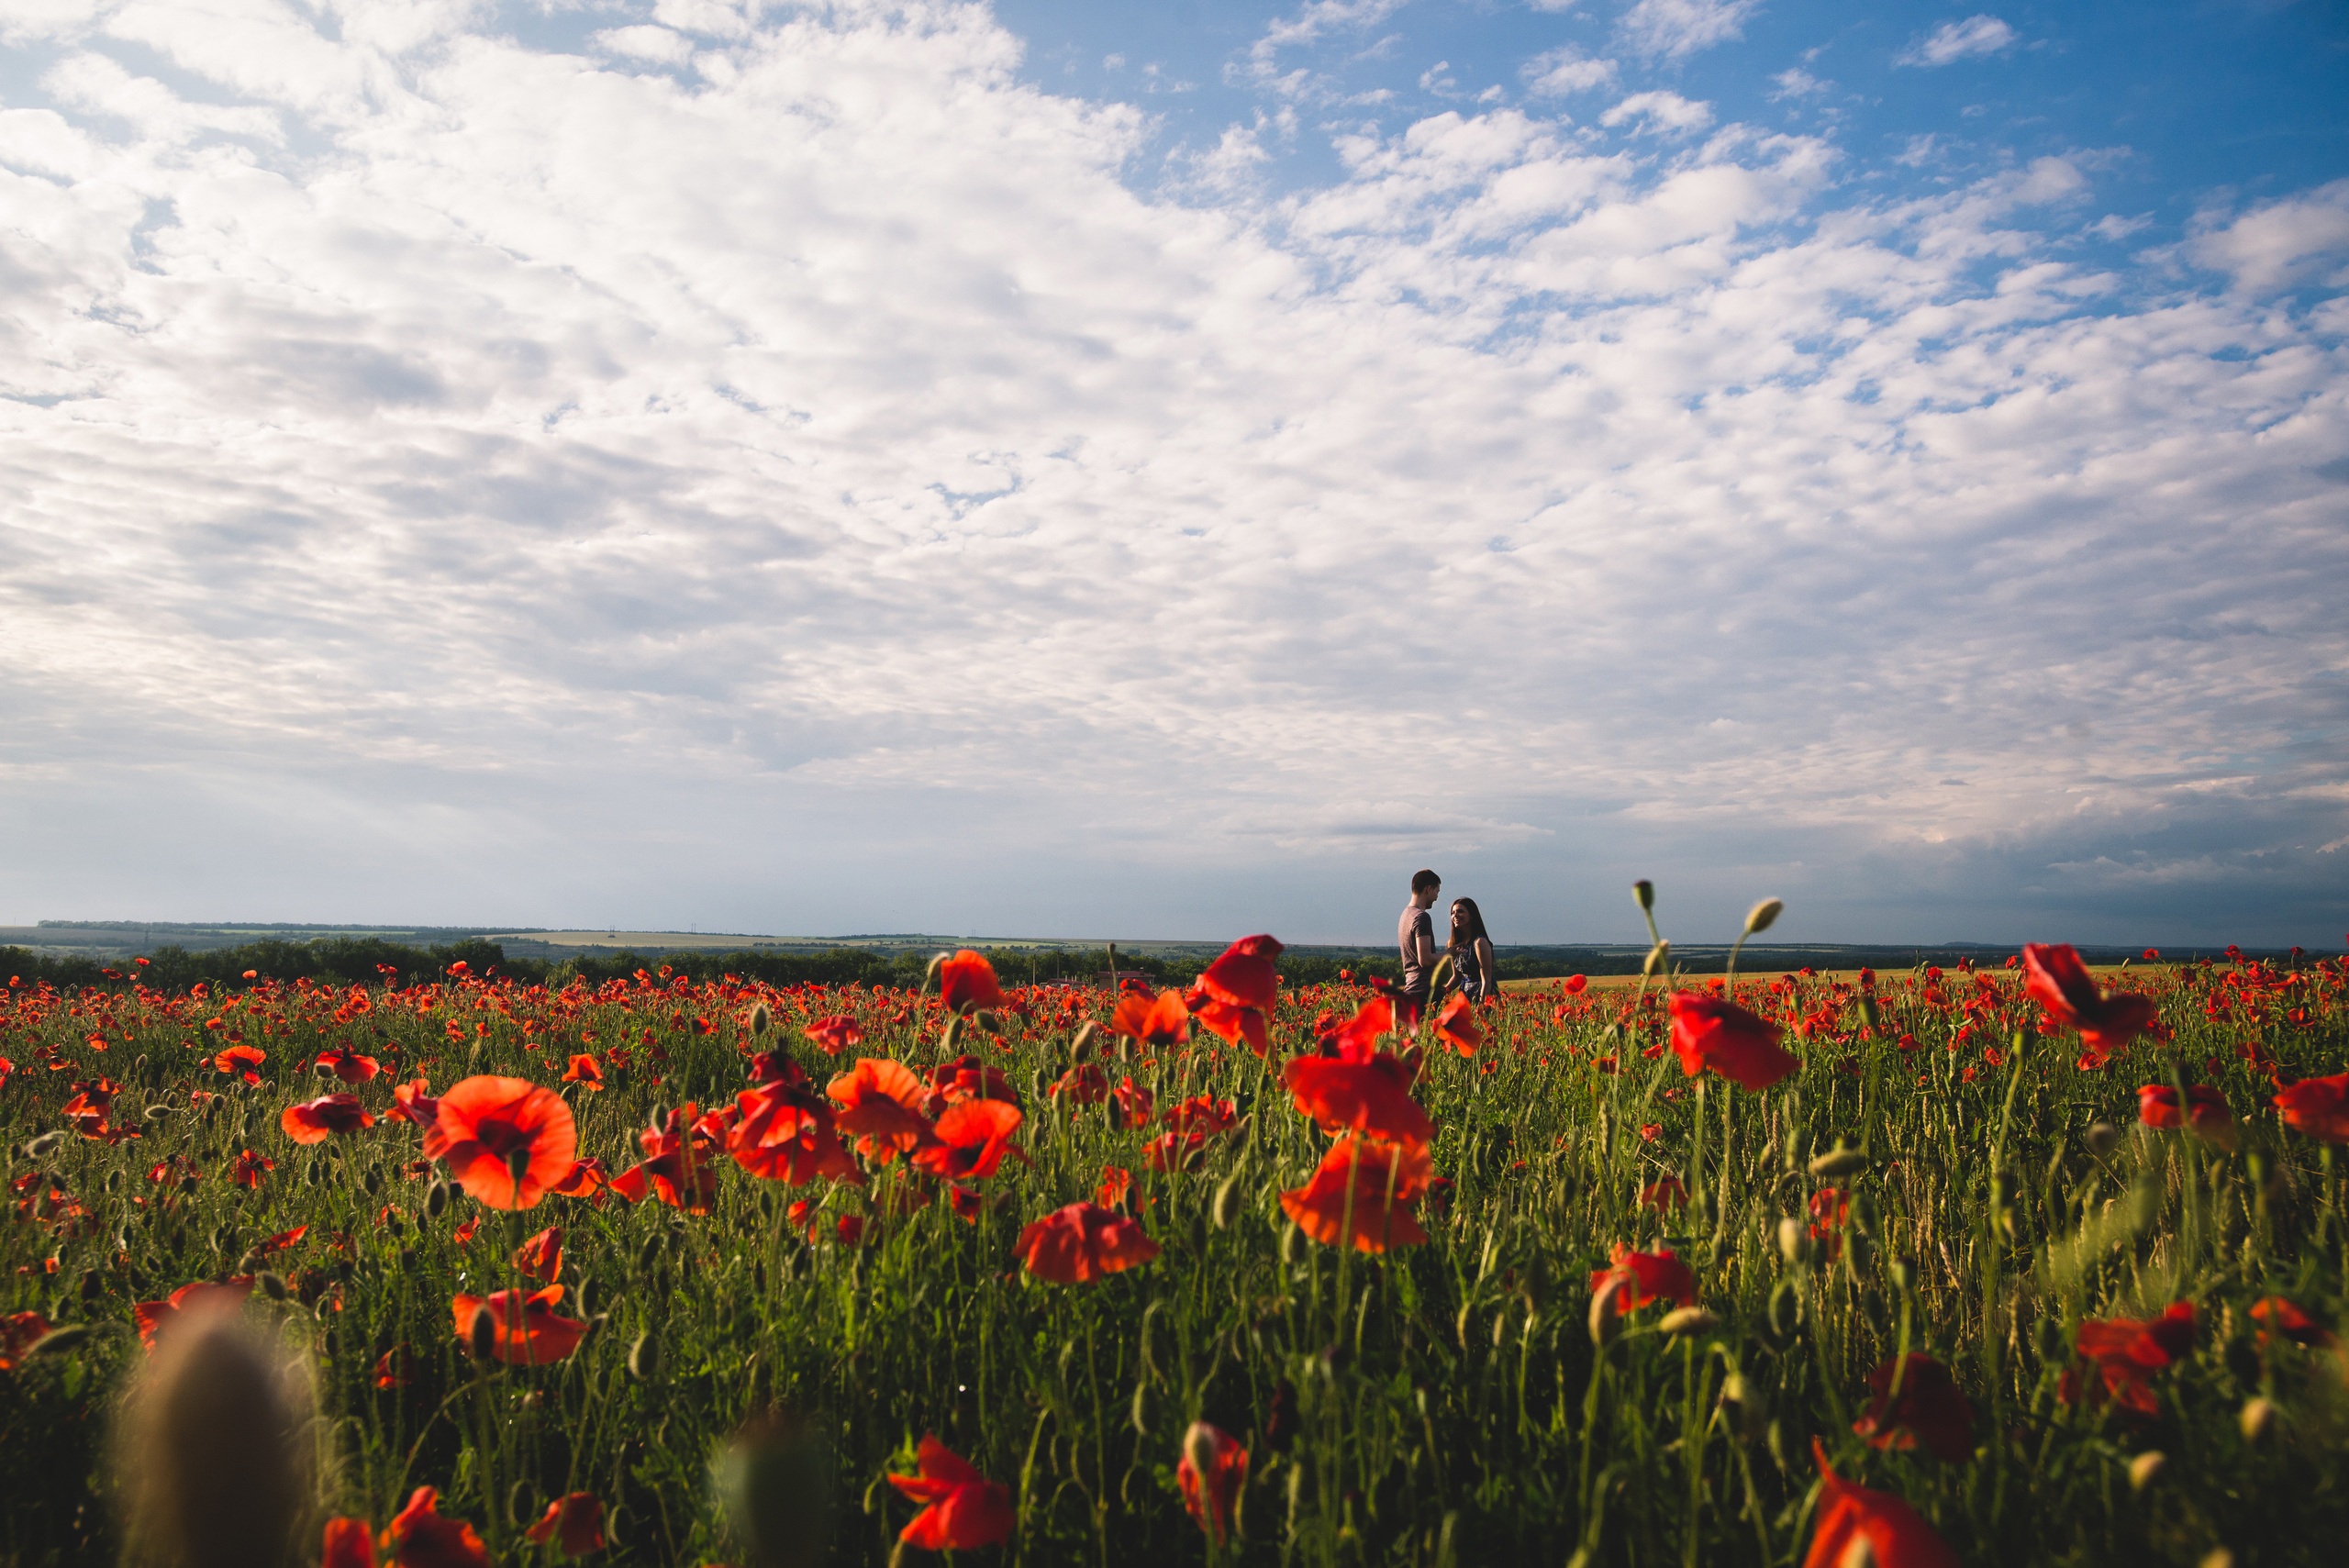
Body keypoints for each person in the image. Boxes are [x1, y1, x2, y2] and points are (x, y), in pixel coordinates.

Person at [1397, 869, 1440, 1029]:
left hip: (1410, 989)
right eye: (1436, 891)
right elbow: (1425, 959)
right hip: (1423, 992)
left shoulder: (1405, 915)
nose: (1436, 897)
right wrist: (1451, 953)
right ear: (1428, 889)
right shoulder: (1422, 917)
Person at [1447, 895, 1497, 1003]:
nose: (1455, 915)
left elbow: (1487, 981)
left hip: (1483, 994)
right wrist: (1441, 992)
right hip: (1464, 995)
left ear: (1472, 916)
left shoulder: (1480, 942)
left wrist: (1482, 1006)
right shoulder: (1452, 943)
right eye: (1453, 912)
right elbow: (1456, 977)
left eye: (1460, 912)